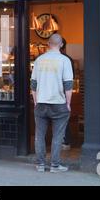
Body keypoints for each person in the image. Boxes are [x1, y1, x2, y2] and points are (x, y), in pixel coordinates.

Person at [31, 33, 73, 173]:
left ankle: (40, 165)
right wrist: (68, 103)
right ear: (61, 44)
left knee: (40, 135)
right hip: (58, 103)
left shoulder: (39, 60)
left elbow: (33, 84)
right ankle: (55, 165)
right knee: (58, 135)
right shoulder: (64, 60)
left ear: (48, 44)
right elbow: (68, 84)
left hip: (41, 103)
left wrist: (36, 100)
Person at [60, 38, 75, 150]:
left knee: (61, 118)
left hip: (59, 93)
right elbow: (70, 80)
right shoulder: (68, 59)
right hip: (63, 93)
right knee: (63, 118)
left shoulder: (65, 59)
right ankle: (65, 141)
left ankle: (65, 141)